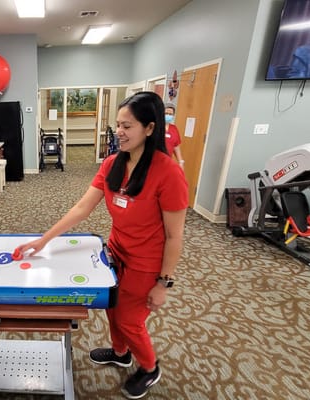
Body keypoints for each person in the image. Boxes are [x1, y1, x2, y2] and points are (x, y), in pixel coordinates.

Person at [14, 91, 188, 399]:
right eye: (118, 124)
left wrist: (164, 283)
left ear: (150, 128)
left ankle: (149, 367)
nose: (119, 132)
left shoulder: (168, 173)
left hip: (147, 262)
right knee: (111, 309)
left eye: (128, 126)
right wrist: (42, 241)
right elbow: (82, 208)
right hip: (116, 252)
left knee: (130, 320)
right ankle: (121, 353)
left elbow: (175, 236)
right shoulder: (111, 164)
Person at [164, 103, 184, 168]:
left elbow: (176, 146)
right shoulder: (156, 127)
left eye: (170, 114)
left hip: (167, 163)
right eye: (166, 113)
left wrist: (181, 162)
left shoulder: (174, 129)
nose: (168, 116)